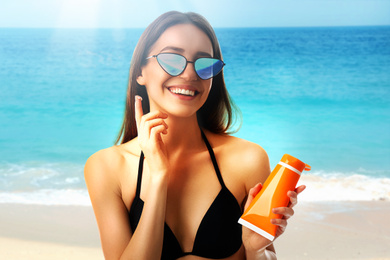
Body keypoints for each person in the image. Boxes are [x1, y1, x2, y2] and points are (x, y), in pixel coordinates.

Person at [84, 11, 305, 260]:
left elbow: (264, 255)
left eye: (203, 63)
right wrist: (158, 177)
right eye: (172, 58)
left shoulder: (247, 159)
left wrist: (256, 250)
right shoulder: (107, 167)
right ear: (140, 72)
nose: (190, 74)